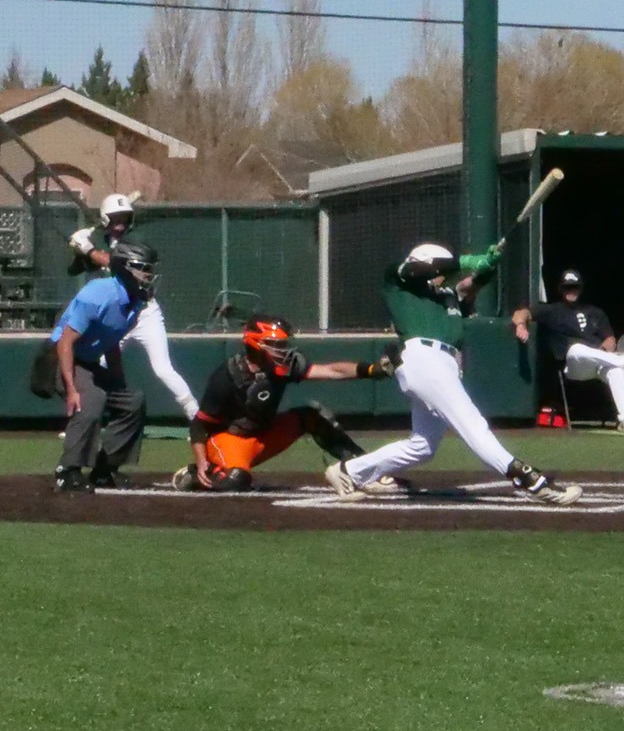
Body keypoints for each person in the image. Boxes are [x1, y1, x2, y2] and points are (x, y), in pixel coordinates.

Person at [326, 243, 582, 504]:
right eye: (441, 269)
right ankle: (532, 482)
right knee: (473, 425)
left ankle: (348, 471)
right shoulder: (398, 280)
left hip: (442, 364)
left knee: (422, 447)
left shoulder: (445, 295)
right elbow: (428, 268)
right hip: (424, 359)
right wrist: (469, 261)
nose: (445, 275)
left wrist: (488, 266)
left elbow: (472, 284)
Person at [174, 314, 396, 492]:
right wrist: (201, 461)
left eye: (282, 344)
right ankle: (195, 474)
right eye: (274, 344)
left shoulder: (284, 366)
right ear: (255, 344)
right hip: (230, 439)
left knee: (312, 415)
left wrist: (373, 370)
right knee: (237, 481)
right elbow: (200, 425)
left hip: (263, 434)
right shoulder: (228, 376)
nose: (281, 349)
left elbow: (330, 371)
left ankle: (364, 468)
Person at [66, 194, 199, 420]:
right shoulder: (102, 240)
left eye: (125, 218)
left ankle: (196, 415)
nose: (121, 224)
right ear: (105, 219)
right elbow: (74, 270)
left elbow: (114, 261)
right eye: (116, 219)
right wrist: (78, 251)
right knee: (99, 365)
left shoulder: (137, 237)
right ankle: (87, 417)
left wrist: (88, 248)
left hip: (144, 312)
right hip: (117, 313)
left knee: (163, 369)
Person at [40, 241, 155, 491]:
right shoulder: (98, 294)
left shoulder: (135, 302)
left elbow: (111, 342)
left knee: (133, 401)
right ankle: (67, 469)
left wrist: (119, 384)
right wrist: (71, 389)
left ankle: (105, 469)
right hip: (59, 356)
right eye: (143, 268)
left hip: (88, 360)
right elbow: (65, 342)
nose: (149, 274)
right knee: (89, 398)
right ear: (126, 268)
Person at [512, 270, 624, 433]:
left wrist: (602, 351)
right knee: (577, 349)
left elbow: (610, 339)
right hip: (573, 365)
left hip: (599, 361)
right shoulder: (551, 310)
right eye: (567, 287)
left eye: (575, 287)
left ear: (581, 288)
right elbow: (520, 313)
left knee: (616, 372)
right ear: (560, 289)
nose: (571, 291)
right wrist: (521, 325)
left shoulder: (595, 312)